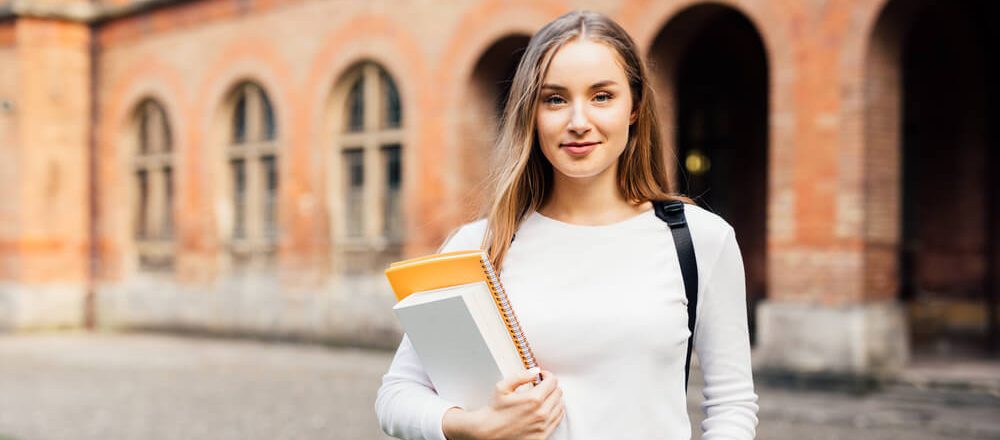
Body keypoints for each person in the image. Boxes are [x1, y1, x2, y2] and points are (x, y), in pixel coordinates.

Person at [375, 9, 759, 440]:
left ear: (634, 107)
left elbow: (731, 404)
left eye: (602, 96)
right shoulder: (480, 245)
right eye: (555, 99)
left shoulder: (698, 239)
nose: (579, 122)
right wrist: (477, 425)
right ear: (531, 113)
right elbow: (397, 395)